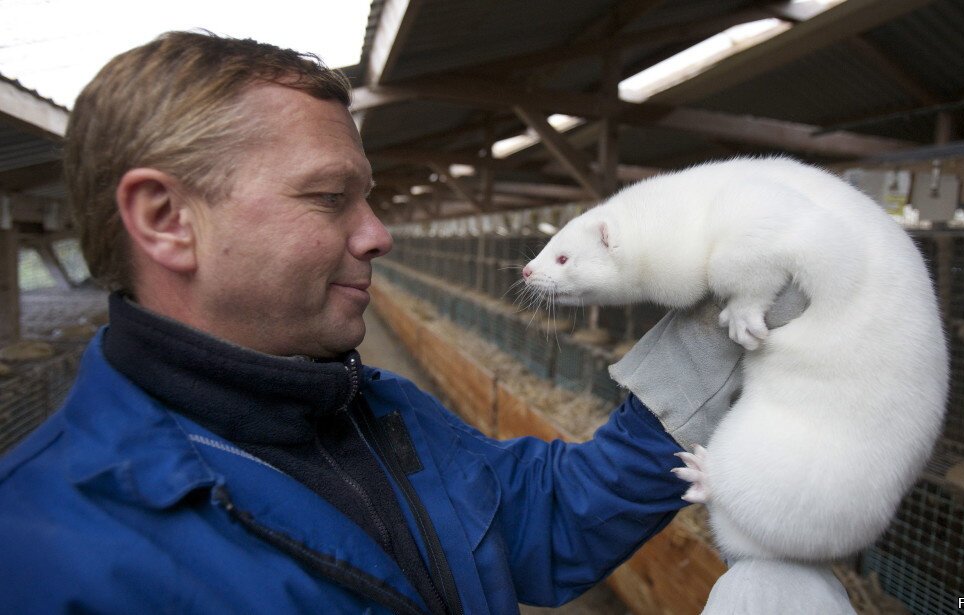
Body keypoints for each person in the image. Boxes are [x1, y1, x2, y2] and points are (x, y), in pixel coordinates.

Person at [0, 31, 693, 614]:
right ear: (166, 219)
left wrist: (710, 342)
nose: (379, 234)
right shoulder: (40, 555)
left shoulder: (380, 409)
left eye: (367, 197)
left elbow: (551, 514)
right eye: (331, 196)